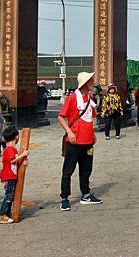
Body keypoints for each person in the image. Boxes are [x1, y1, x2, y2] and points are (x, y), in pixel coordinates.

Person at [58, 72, 102, 212]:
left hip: (88, 141)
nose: (92, 84)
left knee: (86, 170)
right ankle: (65, 198)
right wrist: (69, 132)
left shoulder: (89, 98)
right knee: (68, 171)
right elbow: (61, 117)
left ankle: (86, 194)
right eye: (90, 81)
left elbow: (90, 118)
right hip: (74, 140)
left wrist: (93, 134)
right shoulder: (72, 98)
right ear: (85, 84)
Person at [0, 127, 28, 224]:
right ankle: (2, 215)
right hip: (9, 176)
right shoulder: (10, 149)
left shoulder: (11, 149)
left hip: (10, 175)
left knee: (10, 195)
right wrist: (23, 155)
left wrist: (22, 161)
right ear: (17, 137)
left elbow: (14, 162)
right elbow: (12, 161)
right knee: (9, 196)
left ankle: (7, 213)